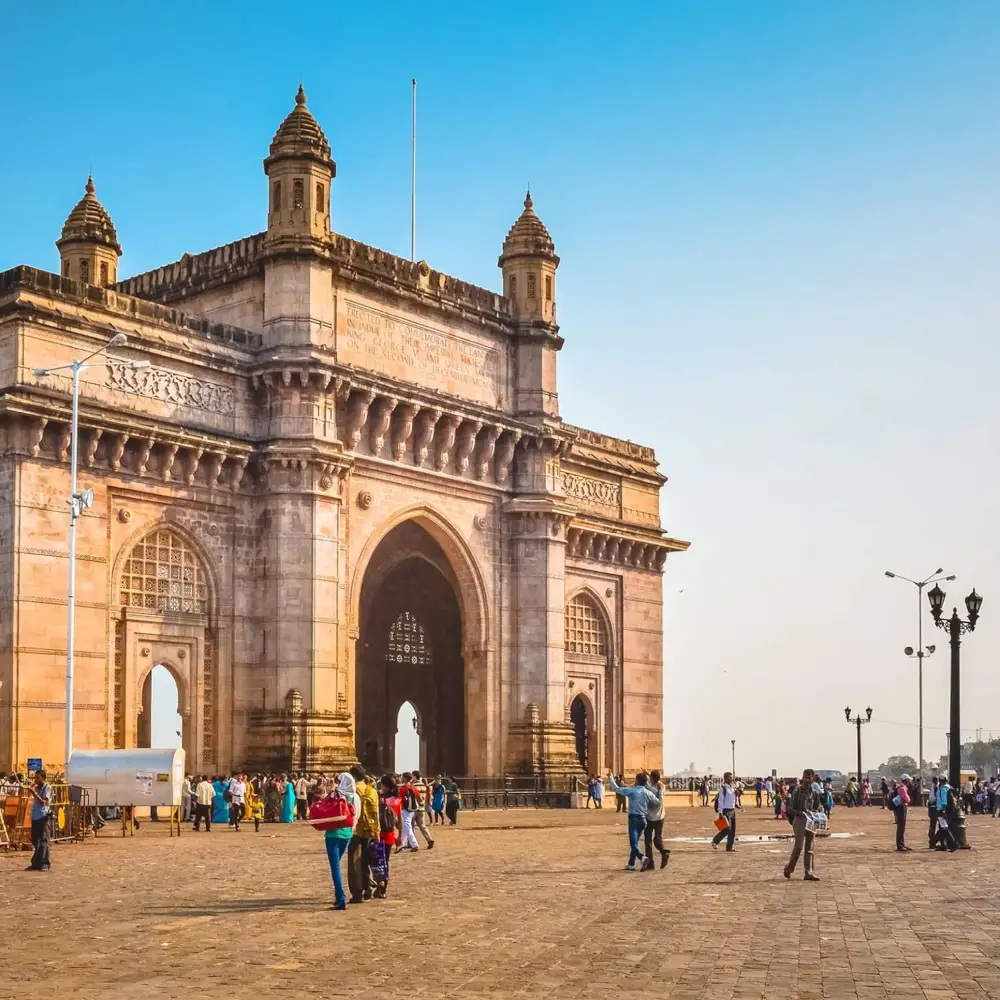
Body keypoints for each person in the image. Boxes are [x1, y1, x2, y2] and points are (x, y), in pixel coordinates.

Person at [608, 771, 659, 870]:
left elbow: (616, 789)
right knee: (635, 842)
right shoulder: (648, 793)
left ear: (637, 781)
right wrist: (659, 793)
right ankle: (631, 864)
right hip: (643, 819)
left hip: (634, 819)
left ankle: (642, 857)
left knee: (633, 843)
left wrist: (610, 778)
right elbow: (657, 803)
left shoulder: (632, 791)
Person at [324, 773, 357, 910]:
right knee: (337, 865)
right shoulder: (353, 797)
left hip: (333, 834)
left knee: (335, 867)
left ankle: (341, 899)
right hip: (347, 834)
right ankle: (339, 897)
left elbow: (323, 806)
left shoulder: (334, 794)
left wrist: (330, 790)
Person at [347, 766, 379, 904]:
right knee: (366, 860)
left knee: (354, 862)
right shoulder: (372, 790)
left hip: (356, 830)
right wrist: (377, 831)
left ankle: (357, 892)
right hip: (370, 829)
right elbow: (376, 812)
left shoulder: (352, 792)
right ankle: (368, 888)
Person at [784, 768, 821, 881]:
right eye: (805, 777)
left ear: (813, 778)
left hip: (811, 821)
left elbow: (817, 807)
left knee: (810, 847)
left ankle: (808, 872)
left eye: (809, 777)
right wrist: (802, 813)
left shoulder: (814, 793)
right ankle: (789, 868)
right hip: (800, 820)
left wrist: (816, 814)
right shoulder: (797, 791)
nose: (807, 780)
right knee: (799, 846)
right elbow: (790, 809)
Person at [373, 775, 401, 898]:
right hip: (390, 835)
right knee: (385, 862)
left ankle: (377, 882)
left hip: (377, 833)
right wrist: (400, 836)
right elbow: (399, 821)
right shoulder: (396, 800)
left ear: (384, 785)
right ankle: (383, 887)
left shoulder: (378, 798)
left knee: (374, 860)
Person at [642, 770, 670, 870]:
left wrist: (645, 775)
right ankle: (663, 852)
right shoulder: (662, 787)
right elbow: (657, 781)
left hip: (650, 817)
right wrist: (650, 774)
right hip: (660, 817)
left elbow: (643, 782)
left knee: (648, 840)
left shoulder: (649, 788)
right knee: (658, 838)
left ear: (651, 779)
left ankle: (650, 863)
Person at [26, 769, 52, 871]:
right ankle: (36, 863)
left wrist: (34, 793)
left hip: (43, 816)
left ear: (43, 778)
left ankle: (45, 863)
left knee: (44, 840)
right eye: (35, 778)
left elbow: (43, 802)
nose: (36, 780)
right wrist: (31, 790)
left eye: (38, 778)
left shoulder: (47, 788)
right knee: (36, 841)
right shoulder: (36, 788)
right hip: (35, 816)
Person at [711, 772, 740, 852]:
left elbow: (733, 798)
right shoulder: (723, 788)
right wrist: (720, 812)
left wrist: (737, 804)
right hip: (725, 810)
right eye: (729, 777)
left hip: (732, 810)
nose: (731, 779)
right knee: (727, 829)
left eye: (732, 777)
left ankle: (729, 847)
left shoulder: (733, 787)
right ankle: (715, 841)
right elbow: (721, 801)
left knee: (732, 830)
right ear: (725, 778)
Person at [407, 771, 435, 849]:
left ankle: (410, 843)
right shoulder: (424, 786)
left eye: (412, 776)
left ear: (415, 776)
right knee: (422, 826)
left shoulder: (413, 786)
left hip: (414, 808)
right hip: (422, 808)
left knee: (411, 826)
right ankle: (429, 839)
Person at [397, 772, 420, 852]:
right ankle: (401, 845)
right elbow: (419, 799)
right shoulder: (414, 788)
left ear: (405, 778)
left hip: (404, 809)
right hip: (412, 809)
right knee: (405, 827)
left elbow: (399, 799)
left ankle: (414, 844)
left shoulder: (402, 788)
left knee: (407, 827)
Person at [892, 774, 912, 851]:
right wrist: (908, 800)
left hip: (899, 807)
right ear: (906, 780)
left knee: (901, 826)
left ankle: (901, 844)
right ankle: (900, 845)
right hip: (901, 807)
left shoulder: (900, 787)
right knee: (901, 826)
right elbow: (907, 799)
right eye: (908, 780)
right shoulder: (902, 788)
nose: (909, 782)